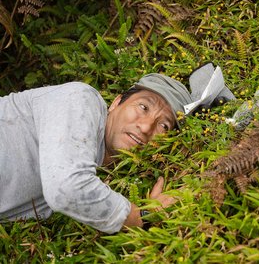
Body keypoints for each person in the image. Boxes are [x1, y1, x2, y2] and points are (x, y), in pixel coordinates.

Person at [0, 74, 197, 233]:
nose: (146, 127)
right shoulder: (81, 98)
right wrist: (142, 216)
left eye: (163, 125)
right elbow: (67, 188)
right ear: (116, 103)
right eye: (143, 107)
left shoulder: (94, 165)